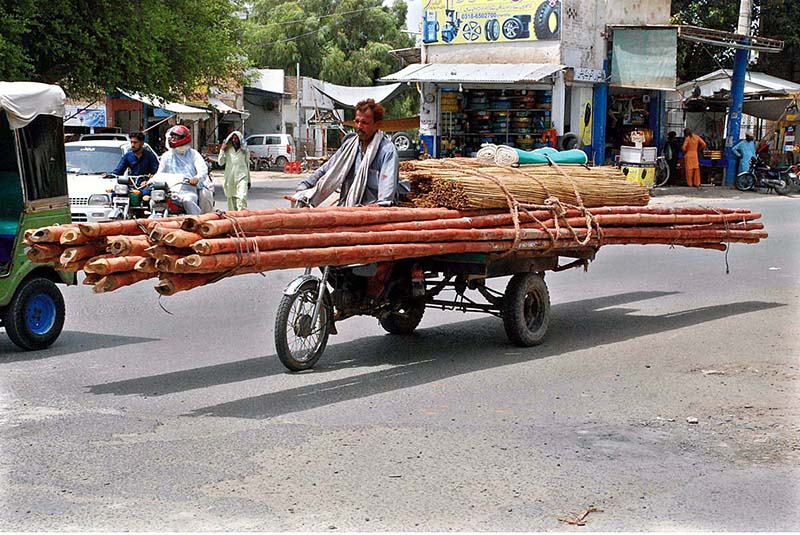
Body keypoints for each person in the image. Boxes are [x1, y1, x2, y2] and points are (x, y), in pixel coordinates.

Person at [294, 98, 399, 207]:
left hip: (372, 216)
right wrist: (304, 187)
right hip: (347, 209)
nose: (359, 126)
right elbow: (326, 169)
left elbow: (386, 195)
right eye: (357, 121)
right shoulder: (349, 147)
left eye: (364, 123)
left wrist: (378, 206)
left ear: (377, 124)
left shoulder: (387, 151)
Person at [154, 124, 209, 215]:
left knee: (188, 201)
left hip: (187, 190)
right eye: (172, 136)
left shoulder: (193, 154)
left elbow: (202, 170)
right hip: (169, 192)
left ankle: (195, 223)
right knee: (153, 201)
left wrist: (196, 178)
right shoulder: (166, 156)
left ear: (184, 138)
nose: (173, 139)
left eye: (176, 137)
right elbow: (160, 173)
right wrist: (150, 181)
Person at [103, 131, 159, 196]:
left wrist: (148, 181)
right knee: (115, 194)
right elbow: (118, 171)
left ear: (142, 143)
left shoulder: (150, 156)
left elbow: (156, 172)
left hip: (146, 185)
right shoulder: (127, 156)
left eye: (135, 143)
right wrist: (109, 175)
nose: (132, 145)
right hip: (131, 184)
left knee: (146, 194)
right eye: (131, 142)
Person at [217, 131, 250, 211]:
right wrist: (222, 150)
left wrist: (249, 180)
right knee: (231, 200)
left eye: (236, 138)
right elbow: (220, 162)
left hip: (242, 177)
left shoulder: (245, 151)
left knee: (242, 197)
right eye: (233, 139)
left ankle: (243, 218)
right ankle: (234, 220)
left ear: (240, 140)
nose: (235, 140)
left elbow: (247, 165)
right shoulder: (228, 150)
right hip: (230, 178)